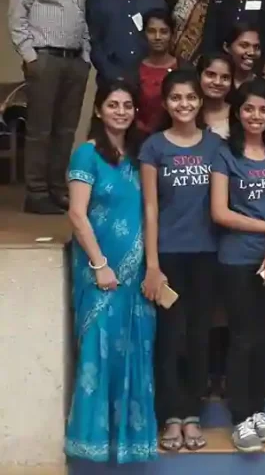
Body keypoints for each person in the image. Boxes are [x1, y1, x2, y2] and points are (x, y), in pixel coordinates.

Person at [65, 79, 156, 463]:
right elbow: (77, 214)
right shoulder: (87, 154)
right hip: (99, 274)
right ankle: (93, 447)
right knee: (98, 354)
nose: (121, 111)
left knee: (135, 352)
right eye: (113, 105)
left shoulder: (138, 155)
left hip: (136, 277)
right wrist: (100, 265)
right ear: (99, 110)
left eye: (127, 105)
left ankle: (130, 445)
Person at [140, 69, 221, 452]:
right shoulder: (153, 147)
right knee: (170, 337)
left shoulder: (215, 146)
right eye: (176, 98)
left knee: (199, 335)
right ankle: (171, 416)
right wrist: (152, 264)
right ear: (165, 103)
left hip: (207, 254)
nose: (183, 104)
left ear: (200, 101)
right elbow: (150, 208)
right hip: (169, 255)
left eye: (190, 97)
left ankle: (193, 415)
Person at [211, 79, 265, 452]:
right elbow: (220, 212)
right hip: (237, 259)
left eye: (263, 109)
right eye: (248, 109)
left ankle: (258, 408)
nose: (255, 116)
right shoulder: (224, 153)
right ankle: (240, 417)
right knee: (242, 338)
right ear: (237, 113)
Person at [8, 0, 91, 214]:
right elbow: (17, 15)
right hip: (45, 58)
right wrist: (30, 56)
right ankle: (37, 193)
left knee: (65, 130)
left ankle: (57, 188)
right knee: (41, 129)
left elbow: (81, 19)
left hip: (75, 61)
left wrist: (85, 55)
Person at [135, 9, 180, 136]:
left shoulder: (183, 69)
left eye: (164, 32)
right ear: (144, 34)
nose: (157, 37)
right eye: (151, 31)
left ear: (172, 34)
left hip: (176, 137)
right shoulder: (134, 70)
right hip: (138, 138)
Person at [198, 52, 235, 138]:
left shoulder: (238, 115)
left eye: (225, 77)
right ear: (199, 76)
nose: (218, 82)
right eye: (211, 75)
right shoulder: (187, 112)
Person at [223, 23, 263, 88]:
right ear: (227, 47)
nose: (252, 52)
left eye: (257, 47)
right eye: (244, 45)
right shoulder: (217, 85)